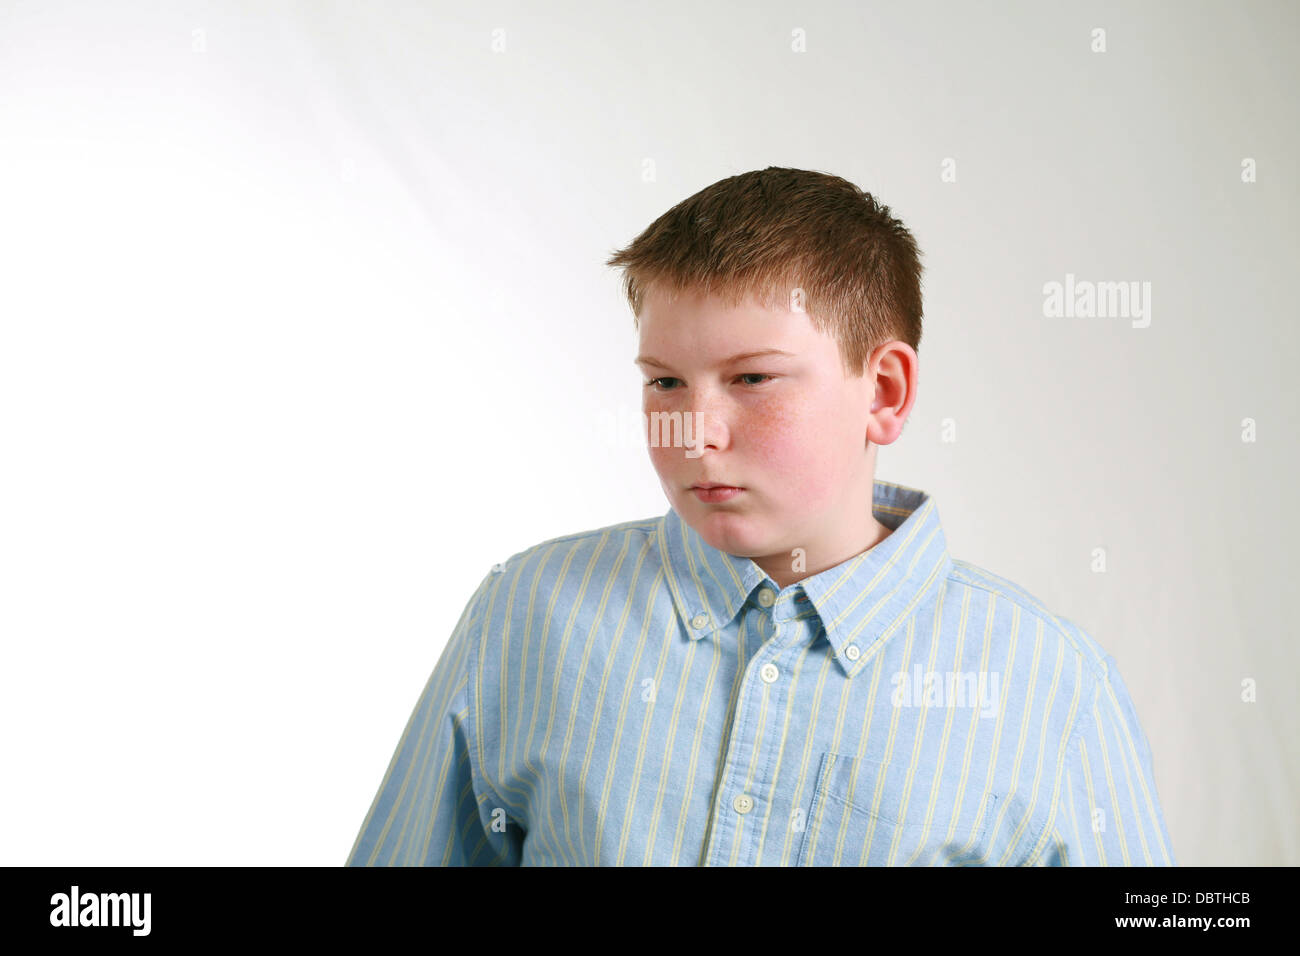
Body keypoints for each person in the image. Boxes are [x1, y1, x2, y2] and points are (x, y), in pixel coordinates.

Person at [344, 167, 1176, 866]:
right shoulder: (529, 614)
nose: (695, 431)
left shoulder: (1053, 689)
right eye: (665, 381)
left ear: (883, 393)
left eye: (752, 380)